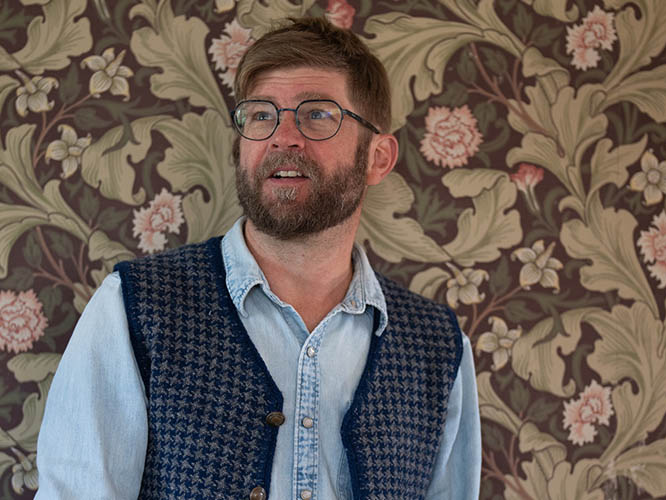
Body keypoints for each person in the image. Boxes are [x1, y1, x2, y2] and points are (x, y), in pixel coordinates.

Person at [35, 16, 480, 500]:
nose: (282, 137)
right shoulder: (135, 310)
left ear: (378, 157)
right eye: (262, 115)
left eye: (317, 114)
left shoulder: (437, 348)